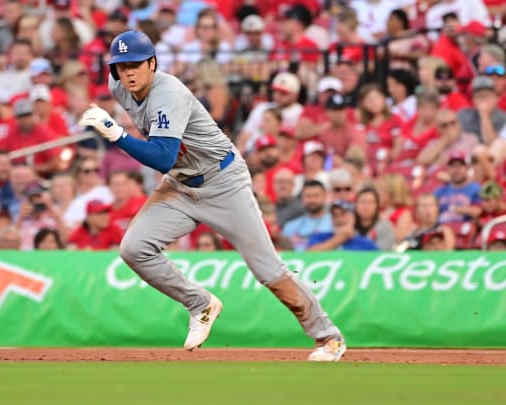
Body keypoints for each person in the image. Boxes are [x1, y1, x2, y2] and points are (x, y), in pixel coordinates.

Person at [79, 31, 345, 360]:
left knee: (268, 269)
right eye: (121, 66)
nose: (128, 72)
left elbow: (161, 156)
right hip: (180, 183)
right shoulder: (118, 85)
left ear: (152, 63)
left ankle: (328, 337)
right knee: (134, 248)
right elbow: (167, 162)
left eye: (135, 64)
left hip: (222, 181)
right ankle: (200, 304)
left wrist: (116, 134)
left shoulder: (168, 94)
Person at [306, 200, 380, 251]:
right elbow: (308, 256)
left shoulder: (366, 244)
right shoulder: (320, 238)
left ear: (353, 217)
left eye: (343, 214)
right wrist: (340, 238)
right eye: (334, 215)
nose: (338, 219)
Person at [282, 180, 334, 251]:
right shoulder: (290, 226)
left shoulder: (335, 222)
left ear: (325, 196)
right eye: (308, 196)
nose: (312, 200)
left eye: (316, 196)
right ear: (302, 199)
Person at [434, 150, 482, 224]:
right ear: (448, 169)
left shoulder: (476, 189)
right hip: (441, 230)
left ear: (467, 168)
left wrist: (460, 209)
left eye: (460, 166)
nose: (456, 170)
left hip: (465, 229)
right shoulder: (440, 191)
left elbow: (480, 211)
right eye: (453, 166)